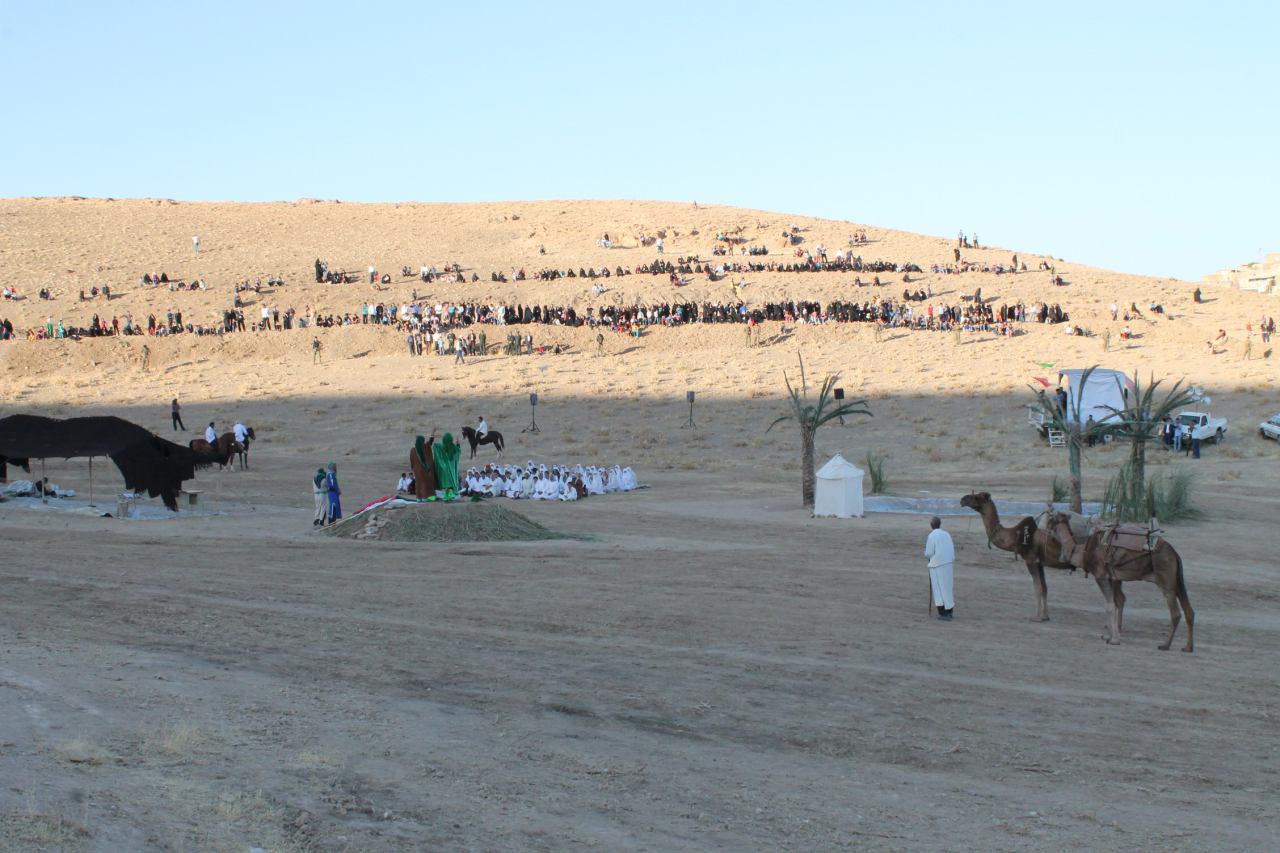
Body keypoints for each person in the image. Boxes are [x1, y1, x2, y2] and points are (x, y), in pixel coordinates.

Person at [924, 516, 956, 620]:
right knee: (947, 588)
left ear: (931, 525)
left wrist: (928, 557)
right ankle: (950, 611)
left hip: (937, 565)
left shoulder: (932, 536)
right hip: (948, 563)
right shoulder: (947, 534)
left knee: (939, 589)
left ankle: (944, 613)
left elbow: (929, 553)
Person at [410, 434, 438, 498]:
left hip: (416, 471)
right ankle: (426, 497)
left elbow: (411, 461)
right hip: (424, 471)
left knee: (418, 484)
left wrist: (414, 468)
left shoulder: (412, 450)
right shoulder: (424, 448)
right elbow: (429, 444)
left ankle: (419, 498)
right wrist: (432, 435)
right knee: (425, 484)